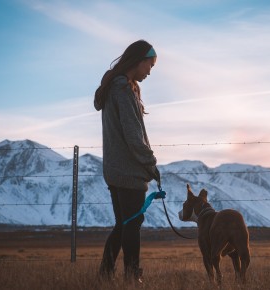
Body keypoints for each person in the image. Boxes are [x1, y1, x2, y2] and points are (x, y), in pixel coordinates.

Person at [94, 39, 161, 284]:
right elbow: (134, 137)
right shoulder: (123, 90)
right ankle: (132, 277)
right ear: (139, 60)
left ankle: (105, 273)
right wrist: (151, 164)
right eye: (149, 65)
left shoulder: (114, 87)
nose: (150, 72)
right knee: (132, 224)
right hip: (129, 171)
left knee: (123, 225)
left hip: (114, 170)